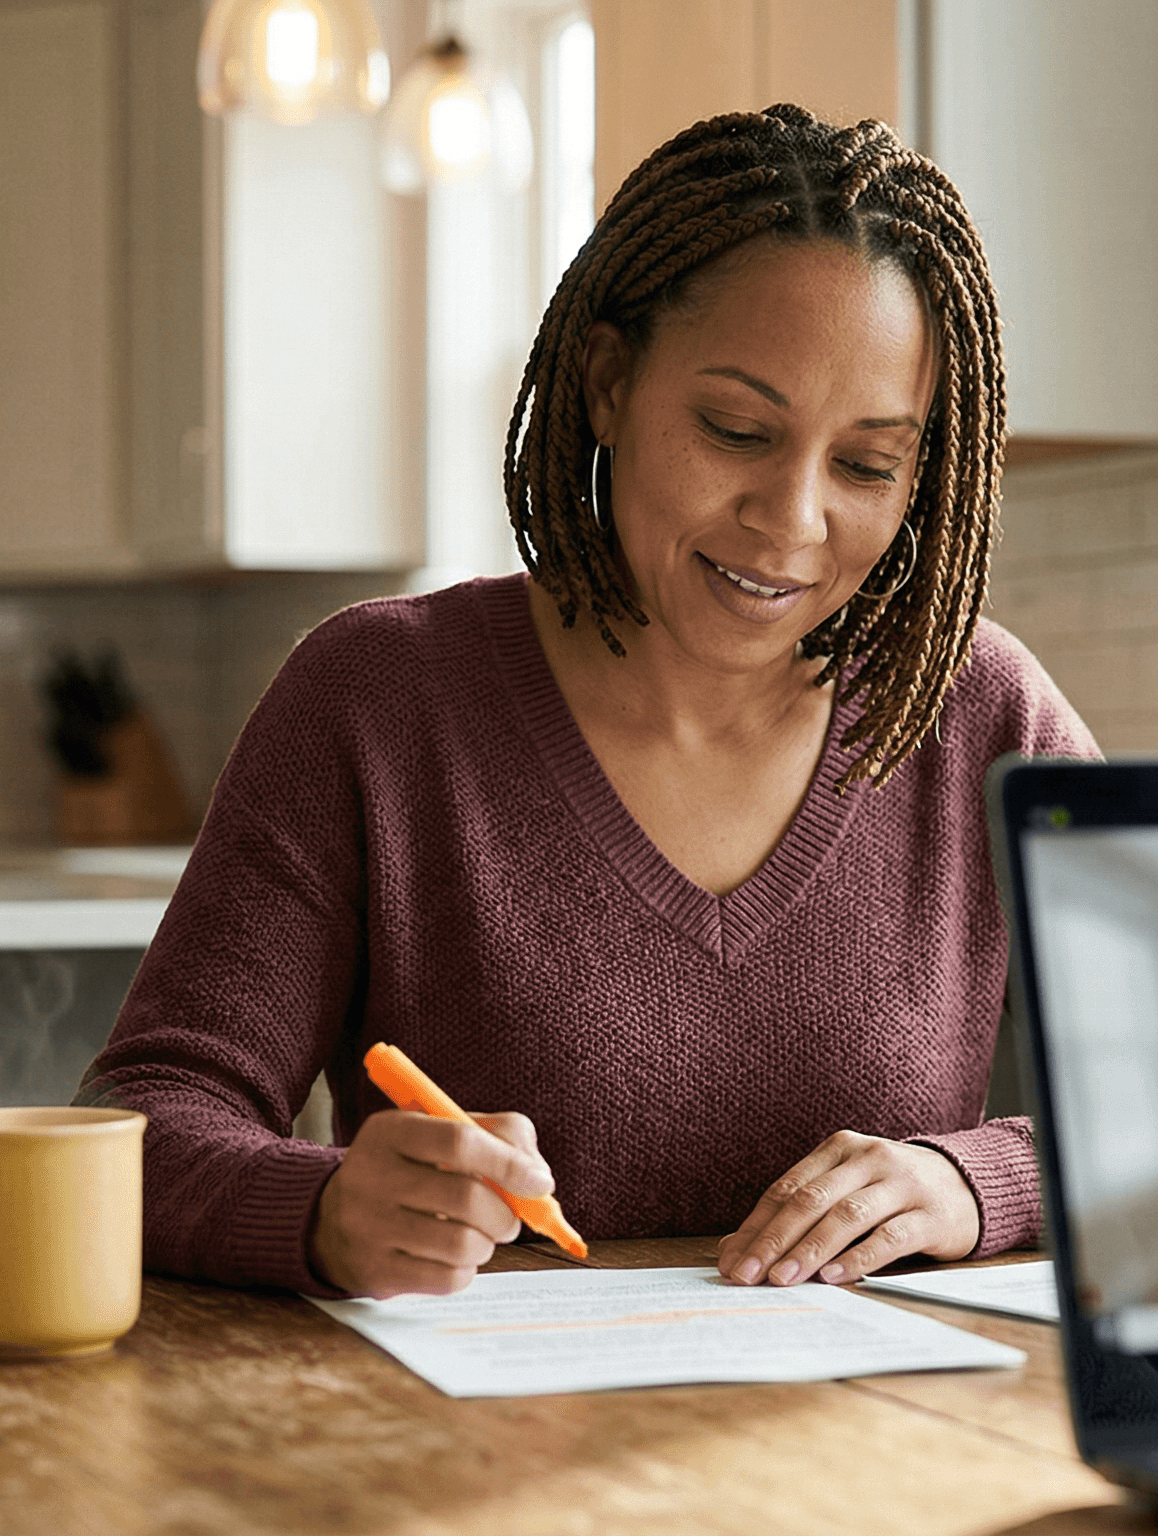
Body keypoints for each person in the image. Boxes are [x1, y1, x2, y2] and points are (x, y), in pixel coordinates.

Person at [78, 104, 1094, 1301]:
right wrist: (322, 1210)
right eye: (735, 430)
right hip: (474, 1421)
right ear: (608, 383)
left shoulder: (981, 716)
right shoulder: (376, 701)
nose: (791, 519)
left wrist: (979, 1182)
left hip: (881, 1423)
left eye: (867, 464)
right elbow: (144, 1118)